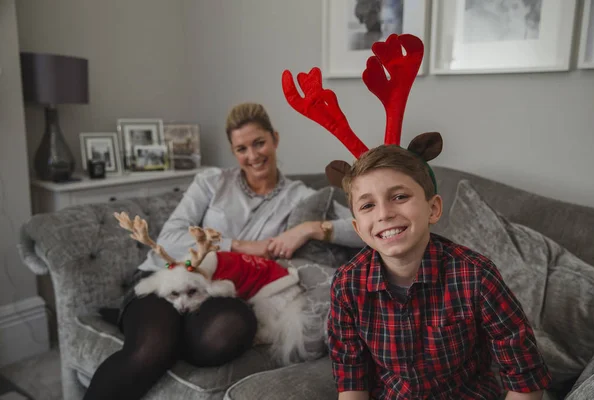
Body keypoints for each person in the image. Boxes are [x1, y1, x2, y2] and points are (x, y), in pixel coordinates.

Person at [83, 102, 364, 400]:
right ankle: (152, 326)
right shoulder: (212, 182)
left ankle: (164, 329)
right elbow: (169, 237)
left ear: (275, 139)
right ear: (233, 152)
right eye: (242, 149)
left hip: (219, 292)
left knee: (234, 327)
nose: (253, 156)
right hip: (167, 278)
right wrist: (239, 245)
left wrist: (311, 228)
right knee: (153, 347)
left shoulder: (300, 196)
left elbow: (363, 227)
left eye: (259, 143)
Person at [327, 144, 552, 399]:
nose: (384, 214)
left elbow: (526, 377)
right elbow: (352, 376)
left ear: (433, 209)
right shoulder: (347, 285)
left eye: (399, 197)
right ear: (358, 229)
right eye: (368, 205)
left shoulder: (476, 276)